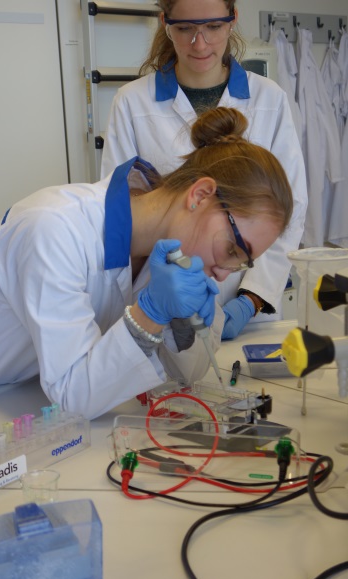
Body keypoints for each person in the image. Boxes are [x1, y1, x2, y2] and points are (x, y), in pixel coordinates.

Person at [0, 108, 292, 420]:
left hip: (25, 399)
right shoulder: (55, 229)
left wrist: (184, 324)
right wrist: (151, 314)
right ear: (200, 195)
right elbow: (74, 394)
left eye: (241, 263)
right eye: (232, 249)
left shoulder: (173, 252)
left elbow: (190, 373)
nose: (223, 273)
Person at [100, 0, 308, 340]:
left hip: (246, 307)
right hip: (164, 307)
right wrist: (153, 304)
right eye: (185, 29)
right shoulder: (132, 101)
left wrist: (252, 298)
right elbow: (121, 211)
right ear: (165, 23)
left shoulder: (269, 98)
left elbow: (290, 208)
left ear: (232, 20)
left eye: (213, 27)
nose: (200, 44)